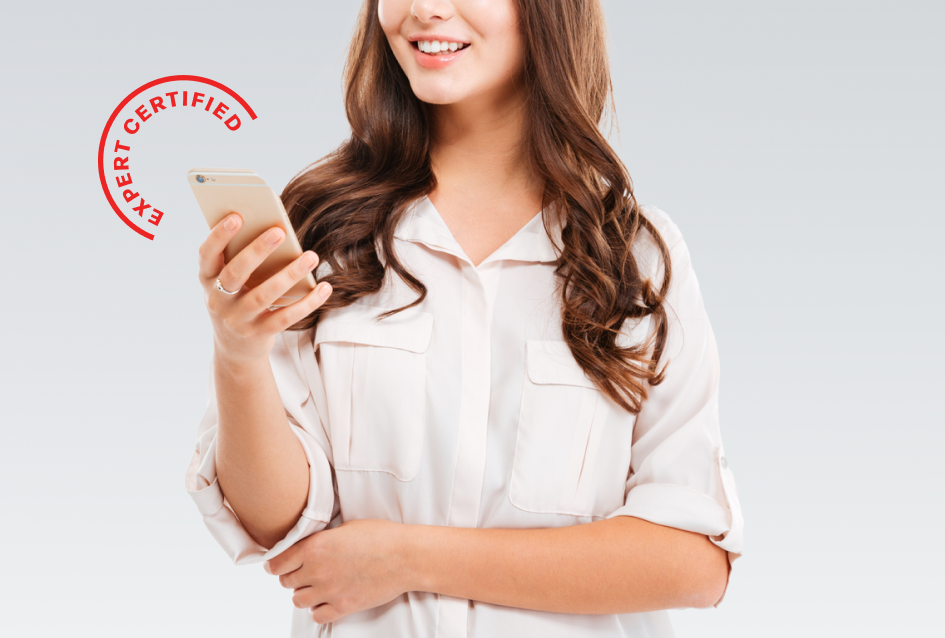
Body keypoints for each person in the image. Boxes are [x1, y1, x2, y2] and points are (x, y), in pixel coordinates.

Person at [185, 0, 744, 636]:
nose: (424, 9)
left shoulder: (635, 258)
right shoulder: (326, 236)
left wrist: (406, 558)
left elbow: (691, 561)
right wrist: (238, 355)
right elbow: (278, 523)